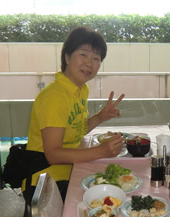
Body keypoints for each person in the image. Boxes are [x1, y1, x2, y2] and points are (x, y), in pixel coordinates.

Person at [25, 26, 125, 201]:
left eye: (96, 58)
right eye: (83, 54)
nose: (89, 63)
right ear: (67, 57)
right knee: (112, 198)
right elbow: (53, 155)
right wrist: (101, 151)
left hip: (69, 173)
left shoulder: (79, 90)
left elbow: (75, 131)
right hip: (45, 186)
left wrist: (100, 117)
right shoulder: (55, 96)